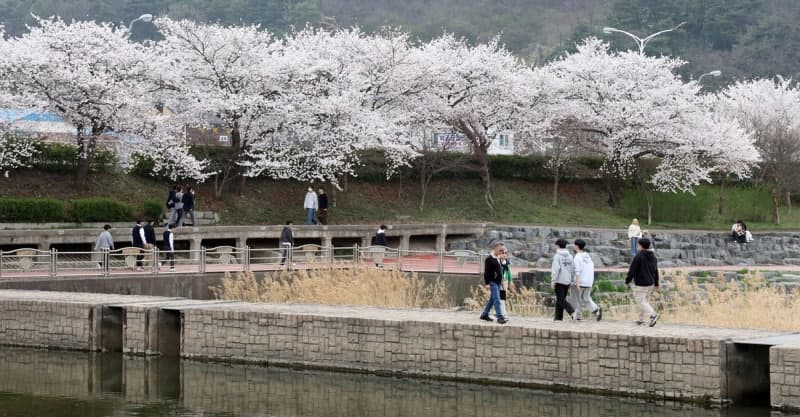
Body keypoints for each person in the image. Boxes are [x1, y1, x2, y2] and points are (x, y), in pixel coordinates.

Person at [625, 238, 660, 327]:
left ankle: (653, 315)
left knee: (641, 302)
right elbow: (656, 271)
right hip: (651, 283)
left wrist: (627, 281)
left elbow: (632, 270)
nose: (637, 246)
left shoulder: (638, 256)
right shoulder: (653, 256)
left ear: (640, 246)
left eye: (638, 245)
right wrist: (656, 283)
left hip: (641, 283)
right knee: (645, 301)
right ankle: (641, 319)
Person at [570, 239, 602, 321]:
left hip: (580, 281)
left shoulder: (577, 257)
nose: (573, 246)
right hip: (589, 281)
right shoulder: (588, 257)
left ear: (577, 246)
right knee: (586, 298)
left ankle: (578, 316)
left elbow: (578, 271)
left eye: (574, 245)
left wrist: (577, 283)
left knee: (576, 299)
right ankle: (596, 309)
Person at [480, 242, 508, 324]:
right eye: (501, 250)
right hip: (492, 282)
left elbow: (500, 270)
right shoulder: (489, 259)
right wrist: (487, 283)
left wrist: (502, 280)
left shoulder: (498, 258)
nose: (502, 252)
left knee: (492, 300)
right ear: (496, 248)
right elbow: (486, 272)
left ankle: (484, 314)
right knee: (497, 299)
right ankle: (500, 317)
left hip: (498, 282)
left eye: (503, 250)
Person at [551, 239, 577, 321]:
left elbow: (556, 269)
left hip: (559, 280)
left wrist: (553, 280)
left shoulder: (557, 256)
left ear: (558, 246)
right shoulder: (570, 256)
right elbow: (573, 269)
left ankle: (572, 312)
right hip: (567, 280)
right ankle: (558, 318)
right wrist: (572, 280)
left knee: (561, 299)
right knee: (560, 299)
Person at [498, 247, 514, 318]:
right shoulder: (498, 262)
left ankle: (503, 312)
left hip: (505, 281)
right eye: (503, 253)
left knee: (503, 297)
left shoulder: (506, 262)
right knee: (498, 298)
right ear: (499, 254)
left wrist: (510, 281)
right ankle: (501, 312)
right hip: (498, 282)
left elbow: (509, 272)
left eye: (505, 253)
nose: (504, 255)